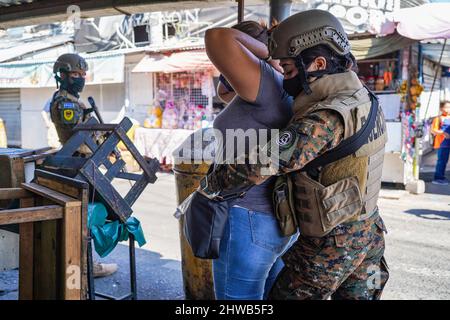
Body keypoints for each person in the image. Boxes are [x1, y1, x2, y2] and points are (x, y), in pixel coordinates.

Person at [200, 10, 389, 300]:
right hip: (369, 236)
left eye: (288, 70)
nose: (284, 77)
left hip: (332, 246)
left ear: (319, 63)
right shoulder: (364, 98)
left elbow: (261, 163)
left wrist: (211, 186)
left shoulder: (326, 117)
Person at [204, 21, 297, 300]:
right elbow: (225, 92)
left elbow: (217, 37)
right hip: (278, 217)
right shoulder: (282, 84)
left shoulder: (266, 78)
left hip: (248, 218)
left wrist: (268, 54)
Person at [50, 53, 118, 278]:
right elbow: (78, 137)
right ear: (63, 75)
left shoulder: (73, 100)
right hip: (76, 164)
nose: (80, 78)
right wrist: (101, 135)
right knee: (86, 218)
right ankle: (84, 267)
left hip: (83, 163)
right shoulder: (65, 102)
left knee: (88, 216)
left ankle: (84, 264)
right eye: (75, 74)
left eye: (82, 74)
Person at [431, 101, 450, 185]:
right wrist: (443, 133)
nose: (448, 109)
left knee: (445, 161)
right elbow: (433, 130)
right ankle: (438, 178)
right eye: (446, 107)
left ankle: (441, 176)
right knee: (441, 161)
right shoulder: (437, 119)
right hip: (442, 144)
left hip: (448, 143)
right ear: (441, 108)